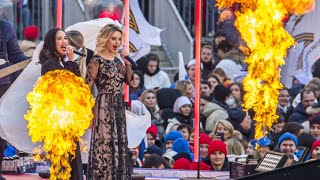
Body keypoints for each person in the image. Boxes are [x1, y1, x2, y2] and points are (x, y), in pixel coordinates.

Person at [85, 24, 133, 179]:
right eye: (113, 38)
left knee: (118, 141)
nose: (117, 42)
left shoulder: (118, 61)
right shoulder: (96, 60)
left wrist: (128, 63)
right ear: (106, 39)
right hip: (103, 104)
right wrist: (88, 111)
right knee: (104, 143)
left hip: (118, 104)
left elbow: (130, 82)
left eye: (119, 39)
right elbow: (86, 87)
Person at [39, 28, 83, 180]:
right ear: (52, 42)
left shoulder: (62, 63)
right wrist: (71, 61)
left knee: (74, 165)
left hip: (69, 122)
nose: (64, 41)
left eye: (65, 38)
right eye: (59, 39)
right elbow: (67, 88)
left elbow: (79, 86)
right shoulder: (49, 65)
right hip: (57, 124)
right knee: (63, 166)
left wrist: (71, 62)